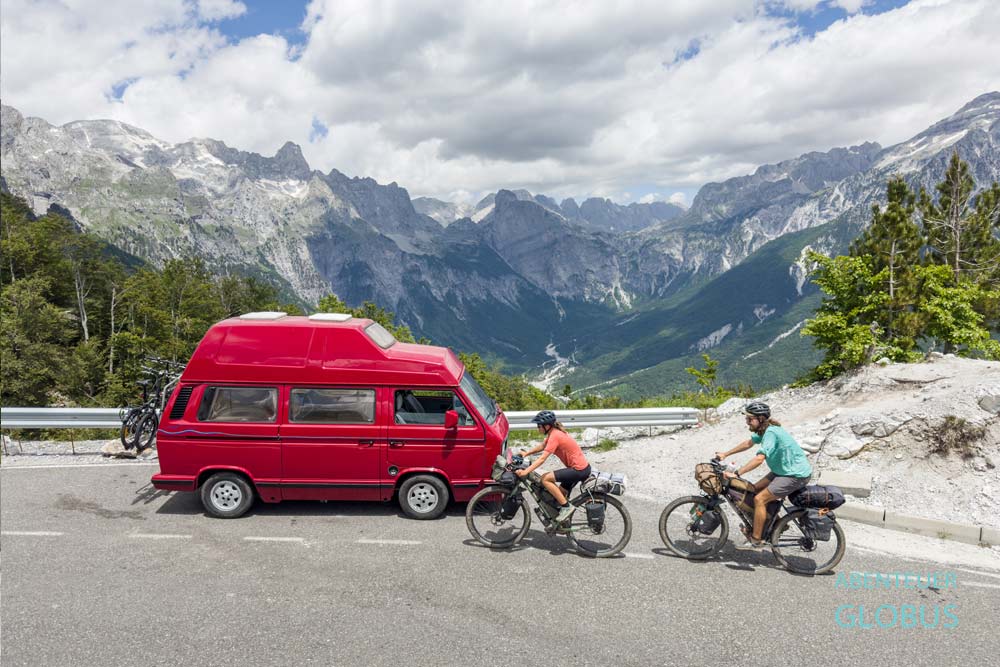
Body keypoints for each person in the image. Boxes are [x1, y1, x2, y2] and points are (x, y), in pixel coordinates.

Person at [715, 401, 812, 548]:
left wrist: (737, 473)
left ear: (760, 419)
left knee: (760, 499)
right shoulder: (766, 430)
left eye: (750, 419)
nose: (747, 421)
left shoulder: (771, 433)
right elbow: (748, 443)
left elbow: (760, 458)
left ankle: (756, 538)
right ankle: (778, 524)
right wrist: (725, 454)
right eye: (746, 418)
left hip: (795, 475)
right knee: (753, 490)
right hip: (782, 471)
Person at [515, 410, 591, 524]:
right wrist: (527, 453)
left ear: (547, 426)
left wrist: (526, 471)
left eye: (539, 426)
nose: (538, 428)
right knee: (557, 496)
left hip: (578, 470)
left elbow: (542, 459)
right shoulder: (554, 433)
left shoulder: (555, 436)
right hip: (582, 468)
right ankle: (561, 524)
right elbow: (542, 446)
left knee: (545, 479)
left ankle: (567, 508)